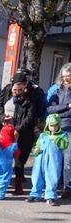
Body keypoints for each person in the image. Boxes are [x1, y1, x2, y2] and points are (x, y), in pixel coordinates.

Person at [0, 72, 37, 195]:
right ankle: (0, 183)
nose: (16, 92)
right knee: (2, 157)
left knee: (19, 159)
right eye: (15, 89)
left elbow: (30, 116)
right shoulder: (7, 90)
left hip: (22, 131)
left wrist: (18, 130)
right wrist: (2, 117)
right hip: (5, 129)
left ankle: (18, 185)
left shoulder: (31, 95)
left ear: (25, 86)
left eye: (20, 89)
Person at [27, 114, 69, 205]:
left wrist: (56, 139)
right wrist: (36, 150)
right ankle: (35, 193)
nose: (53, 128)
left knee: (52, 176)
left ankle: (50, 196)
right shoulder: (43, 135)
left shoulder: (63, 135)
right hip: (40, 159)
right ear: (47, 125)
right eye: (51, 125)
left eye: (55, 125)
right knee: (37, 175)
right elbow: (37, 144)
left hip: (54, 160)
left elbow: (65, 145)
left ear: (59, 125)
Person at [46, 63, 71, 197]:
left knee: (68, 160)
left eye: (69, 76)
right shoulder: (57, 90)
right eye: (64, 76)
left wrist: (60, 111)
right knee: (55, 159)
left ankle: (67, 188)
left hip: (69, 128)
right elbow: (50, 109)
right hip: (56, 128)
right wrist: (67, 106)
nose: (66, 78)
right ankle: (53, 187)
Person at [0, 124, 20, 200]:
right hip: (5, 167)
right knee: (3, 181)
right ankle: (0, 195)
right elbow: (17, 154)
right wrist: (15, 140)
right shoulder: (13, 146)